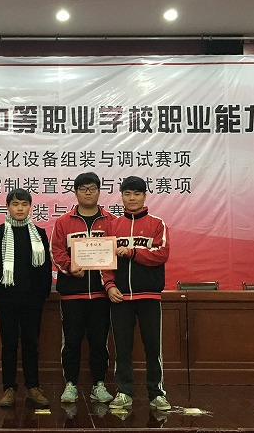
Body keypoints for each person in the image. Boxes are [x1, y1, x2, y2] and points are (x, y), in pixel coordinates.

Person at [102, 176, 171, 411]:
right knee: (122, 348)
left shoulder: (157, 224)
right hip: (120, 298)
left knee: (153, 348)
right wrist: (109, 285)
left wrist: (133, 252)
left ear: (144, 196)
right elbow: (105, 261)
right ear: (121, 196)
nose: (132, 198)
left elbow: (161, 254)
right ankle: (124, 392)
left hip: (149, 297)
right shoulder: (113, 226)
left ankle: (157, 393)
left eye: (137, 194)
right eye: (127, 193)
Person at [0, 188, 52, 408]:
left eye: (24, 204)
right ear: (8, 207)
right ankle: (9, 388)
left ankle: (33, 387)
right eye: (15, 204)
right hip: (6, 298)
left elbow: (46, 266)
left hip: (33, 298)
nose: (20, 208)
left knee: (31, 343)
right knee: (9, 344)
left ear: (30, 207)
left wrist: (43, 292)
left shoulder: (39, 233)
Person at [50, 172, 116, 404]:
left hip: (101, 294)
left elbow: (114, 253)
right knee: (71, 342)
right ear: (76, 192)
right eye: (83, 188)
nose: (88, 193)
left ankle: (99, 384)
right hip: (72, 294)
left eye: (92, 188)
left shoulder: (110, 221)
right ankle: (70, 384)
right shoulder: (63, 222)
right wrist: (69, 267)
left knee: (99, 342)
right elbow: (56, 251)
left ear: (99, 191)